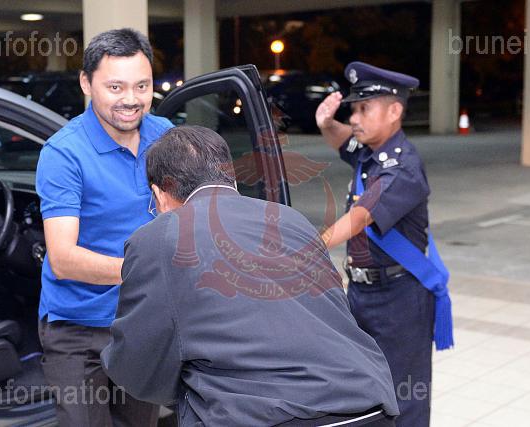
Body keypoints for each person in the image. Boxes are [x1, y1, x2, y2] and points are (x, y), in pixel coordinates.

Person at [101, 125, 400, 426]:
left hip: (266, 415)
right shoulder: (290, 219)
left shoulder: (158, 237)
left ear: (159, 193)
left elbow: (138, 364)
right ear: (229, 176)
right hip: (367, 402)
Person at [35, 28, 173, 426]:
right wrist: (150, 272)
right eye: (115, 87)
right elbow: (63, 260)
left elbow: (192, 213)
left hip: (142, 321)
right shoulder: (64, 153)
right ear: (86, 83)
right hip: (76, 330)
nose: (131, 99)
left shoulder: (165, 135)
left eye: (142, 86)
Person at [315, 62, 453, 427]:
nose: (354, 118)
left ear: (394, 112)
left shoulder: (402, 166)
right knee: (366, 391)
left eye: (365, 109)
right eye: (354, 109)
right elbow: (343, 139)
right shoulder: (369, 151)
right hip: (361, 293)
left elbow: (360, 216)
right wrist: (326, 122)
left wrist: (312, 245)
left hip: (399, 300)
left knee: (404, 399)